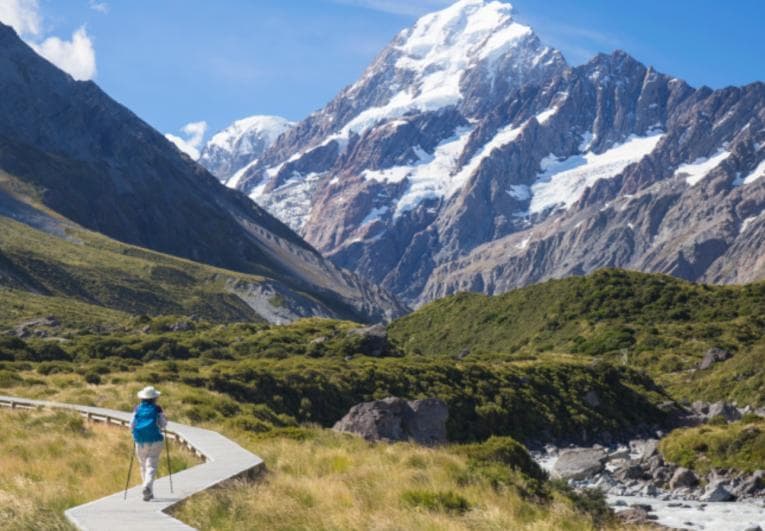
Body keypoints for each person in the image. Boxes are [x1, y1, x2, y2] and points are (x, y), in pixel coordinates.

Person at [130, 386, 168, 501]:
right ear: (154, 398)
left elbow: (131, 425)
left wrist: (135, 434)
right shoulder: (157, 409)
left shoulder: (137, 409)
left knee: (143, 465)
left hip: (140, 440)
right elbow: (163, 424)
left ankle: (147, 491)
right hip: (155, 440)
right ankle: (147, 487)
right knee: (151, 464)